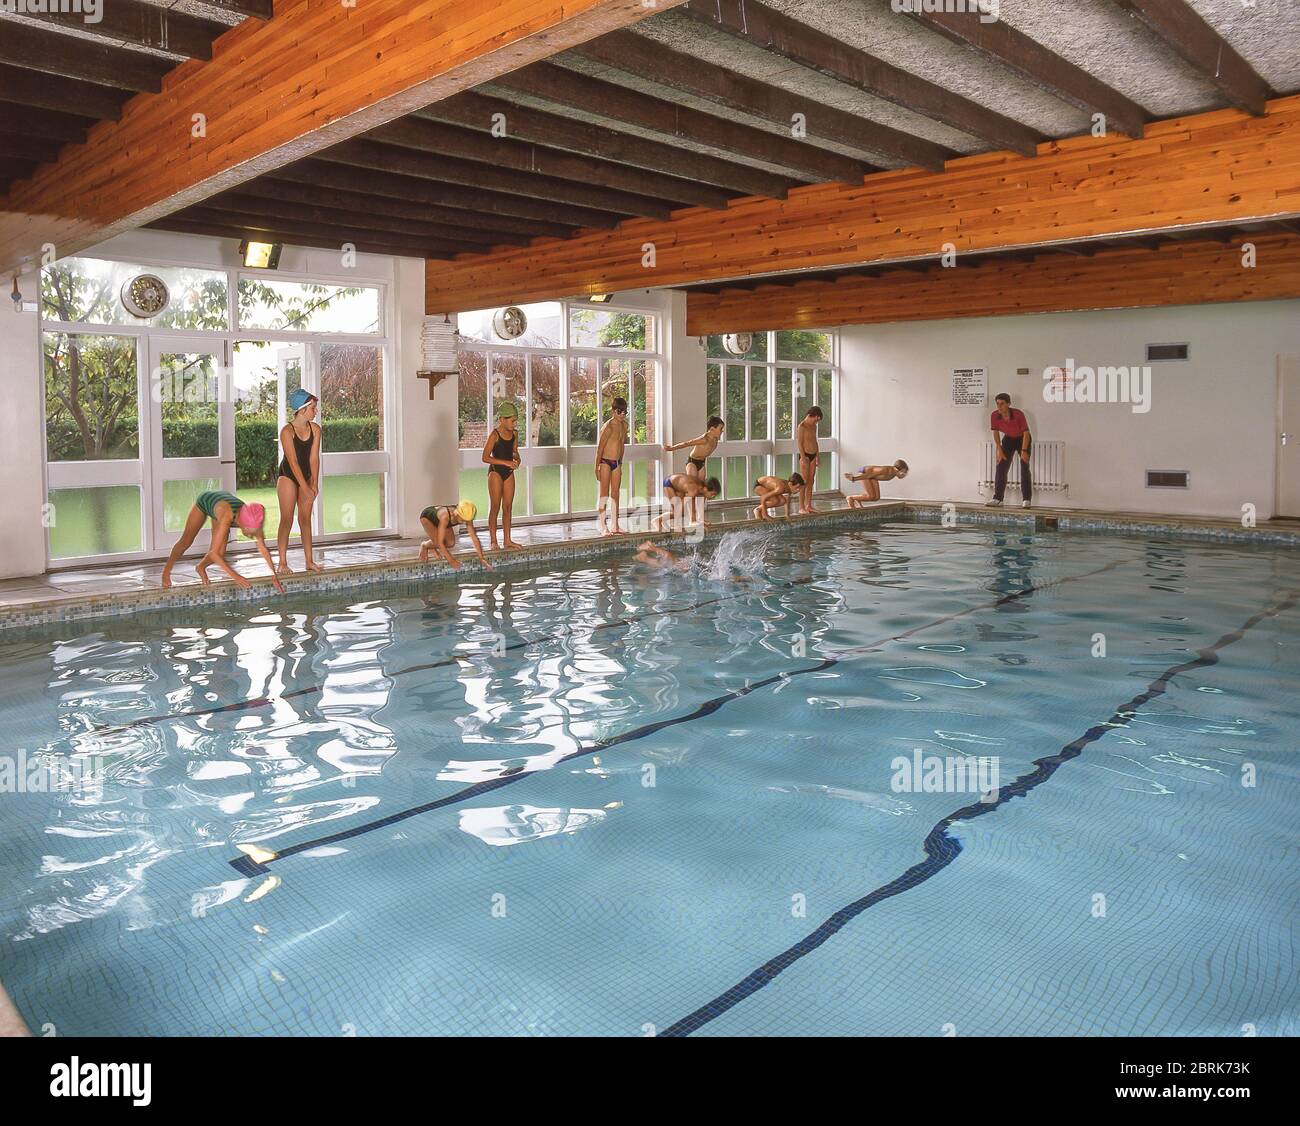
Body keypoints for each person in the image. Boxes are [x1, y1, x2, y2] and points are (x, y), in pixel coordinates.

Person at [161, 490, 284, 591]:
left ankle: (200, 567)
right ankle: (166, 571)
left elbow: (262, 548)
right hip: (206, 501)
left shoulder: (254, 518)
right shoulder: (227, 517)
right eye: (249, 533)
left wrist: (273, 574)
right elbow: (213, 554)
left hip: (222, 506)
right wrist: (235, 576)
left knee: (220, 553)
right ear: (241, 523)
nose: (251, 536)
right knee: (186, 542)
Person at [276, 387, 322, 574]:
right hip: (288, 476)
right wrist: (304, 486)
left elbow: (313, 459)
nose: (315, 411)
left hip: (307, 476)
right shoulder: (287, 431)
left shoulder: (316, 429)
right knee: (287, 519)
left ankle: (309, 561)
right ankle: (282, 562)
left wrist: (314, 485)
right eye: (313, 408)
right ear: (303, 409)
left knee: (305, 519)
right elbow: (293, 463)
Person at [482, 402, 522, 550]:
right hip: (495, 472)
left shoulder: (515, 434)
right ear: (502, 420)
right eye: (512, 420)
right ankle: (493, 541)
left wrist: (517, 459)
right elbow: (485, 457)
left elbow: (514, 452)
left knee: (508, 507)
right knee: (495, 507)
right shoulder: (495, 435)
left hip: (508, 473)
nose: (514, 423)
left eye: (515, 420)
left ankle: (507, 540)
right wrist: (505, 463)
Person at [418, 500, 493, 571]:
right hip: (427, 518)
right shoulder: (445, 517)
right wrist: (451, 561)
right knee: (438, 543)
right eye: (463, 520)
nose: (465, 522)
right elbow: (440, 544)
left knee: (450, 543)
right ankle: (425, 545)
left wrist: (481, 558)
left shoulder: (466, 516)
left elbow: (474, 538)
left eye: (466, 520)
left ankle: (432, 546)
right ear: (457, 513)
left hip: (440, 521)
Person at [988, 393, 1032, 508]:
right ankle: (998, 499)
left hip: (1022, 439)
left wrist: (1024, 451)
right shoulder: (994, 415)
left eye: (1002, 404)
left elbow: (1026, 433)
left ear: (1008, 404)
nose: (999, 406)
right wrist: (999, 449)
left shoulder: (1018, 414)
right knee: (1001, 467)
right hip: (1008, 439)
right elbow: (996, 432)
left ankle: (1026, 499)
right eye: (997, 404)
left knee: (1024, 467)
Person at [594, 396, 629, 536]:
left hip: (616, 463)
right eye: (619, 412)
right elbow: (599, 448)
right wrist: (596, 467)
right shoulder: (608, 427)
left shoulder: (624, 425)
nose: (622, 414)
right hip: (605, 462)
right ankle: (603, 527)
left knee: (616, 494)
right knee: (604, 495)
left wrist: (620, 462)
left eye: (624, 412)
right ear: (613, 411)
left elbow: (621, 444)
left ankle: (615, 525)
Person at [653, 472, 720, 531]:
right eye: (712, 494)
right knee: (677, 511)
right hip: (669, 483)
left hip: (679, 485)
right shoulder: (694, 489)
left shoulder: (700, 488)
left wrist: (697, 521)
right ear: (705, 489)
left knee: (680, 511)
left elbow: (693, 503)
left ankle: (663, 521)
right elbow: (681, 506)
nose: (713, 497)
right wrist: (677, 525)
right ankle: (656, 520)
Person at [844, 460, 909, 506]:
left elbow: (873, 476)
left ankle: (858, 499)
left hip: (873, 477)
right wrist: (854, 478)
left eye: (905, 473)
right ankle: (851, 498)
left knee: (876, 497)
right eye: (903, 472)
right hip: (865, 472)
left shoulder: (893, 474)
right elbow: (869, 475)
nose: (904, 474)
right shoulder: (886, 470)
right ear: (897, 469)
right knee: (871, 496)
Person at [796, 406, 823, 514]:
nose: (816, 422)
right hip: (805, 456)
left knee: (811, 481)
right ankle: (801, 507)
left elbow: (815, 441)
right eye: (816, 419)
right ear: (812, 415)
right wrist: (803, 457)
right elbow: (799, 443)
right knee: (804, 481)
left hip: (813, 455)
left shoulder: (814, 426)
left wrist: (817, 456)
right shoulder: (802, 426)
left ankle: (809, 506)